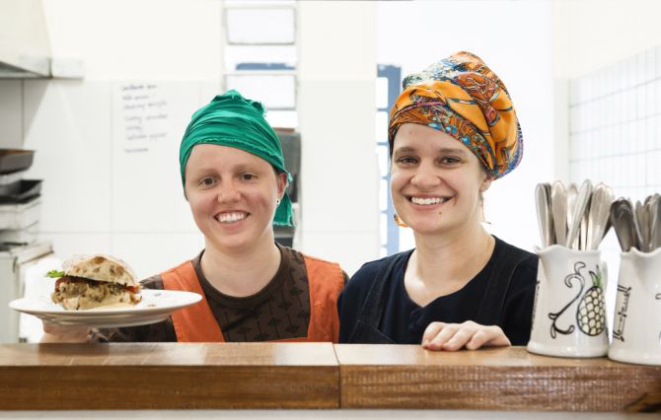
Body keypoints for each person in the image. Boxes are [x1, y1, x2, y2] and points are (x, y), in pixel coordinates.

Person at [43, 90, 346, 343]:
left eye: (247, 176)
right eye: (208, 181)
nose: (228, 195)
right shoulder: (149, 306)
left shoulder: (334, 291)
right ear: (187, 192)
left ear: (280, 185)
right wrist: (63, 336)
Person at [338, 52, 537, 351]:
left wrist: (514, 366)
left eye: (448, 160)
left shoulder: (537, 287)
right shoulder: (364, 286)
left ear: (486, 175)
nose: (423, 178)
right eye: (408, 159)